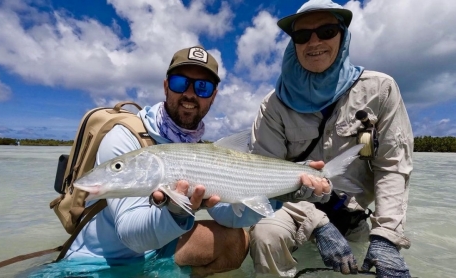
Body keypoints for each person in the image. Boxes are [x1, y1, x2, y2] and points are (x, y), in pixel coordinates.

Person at [37, 45, 329, 278]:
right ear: (166, 87)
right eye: (181, 83)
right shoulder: (123, 137)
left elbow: (231, 215)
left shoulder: (200, 150)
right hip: (97, 262)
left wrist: (282, 193)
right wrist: (177, 212)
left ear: (212, 97)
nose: (190, 94)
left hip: (156, 254)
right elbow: (131, 235)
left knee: (236, 240)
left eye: (202, 88)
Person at [248, 0, 414, 277]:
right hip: (293, 209)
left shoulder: (381, 90)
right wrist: (317, 222)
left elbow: (393, 166)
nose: (314, 42)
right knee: (266, 234)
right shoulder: (273, 106)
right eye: (302, 36)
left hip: (353, 213)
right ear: (294, 44)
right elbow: (262, 178)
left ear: (343, 35)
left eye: (326, 31)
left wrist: (386, 236)